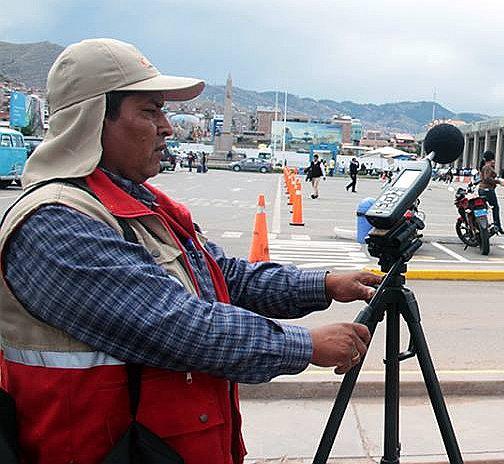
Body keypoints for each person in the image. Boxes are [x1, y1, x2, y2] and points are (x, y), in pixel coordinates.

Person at [0, 38, 380, 463]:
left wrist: (325, 284)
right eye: (149, 111)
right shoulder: (55, 223)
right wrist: (304, 346)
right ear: (92, 120)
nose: (165, 126)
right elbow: (175, 325)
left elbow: (224, 276)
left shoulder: (142, 206)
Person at [478, 150, 504, 234]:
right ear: (491, 160)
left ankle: (481, 225)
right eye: (493, 160)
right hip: (488, 190)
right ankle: (497, 226)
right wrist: (498, 181)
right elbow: (487, 178)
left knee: (482, 209)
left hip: (482, 190)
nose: (494, 162)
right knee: (495, 208)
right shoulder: (487, 167)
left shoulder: (484, 167)